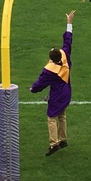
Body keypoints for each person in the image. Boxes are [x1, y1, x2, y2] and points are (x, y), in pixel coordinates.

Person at [30, 12, 75, 156]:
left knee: (51, 117)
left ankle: (54, 143)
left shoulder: (49, 70)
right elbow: (68, 40)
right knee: (62, 115)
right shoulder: (65, 55)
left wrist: (32, 89)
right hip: (67, 91)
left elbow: (40, 83)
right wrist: (69, 22)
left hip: (57, 95)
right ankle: (63, 139)